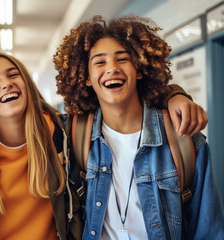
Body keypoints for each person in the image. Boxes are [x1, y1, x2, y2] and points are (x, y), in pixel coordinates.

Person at [54, 15, 224, 239]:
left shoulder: (183, 138)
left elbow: (209, 232)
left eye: (122, 59)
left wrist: (175, 94)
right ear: (86, 77)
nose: (112, 68)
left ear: (140, 69)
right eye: (100, 62)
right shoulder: (74, 135)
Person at [0, 52, 82, 240]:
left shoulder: (60, 137)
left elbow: (76, 209)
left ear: (27, 85)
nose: (6, 83)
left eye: (13, 75)